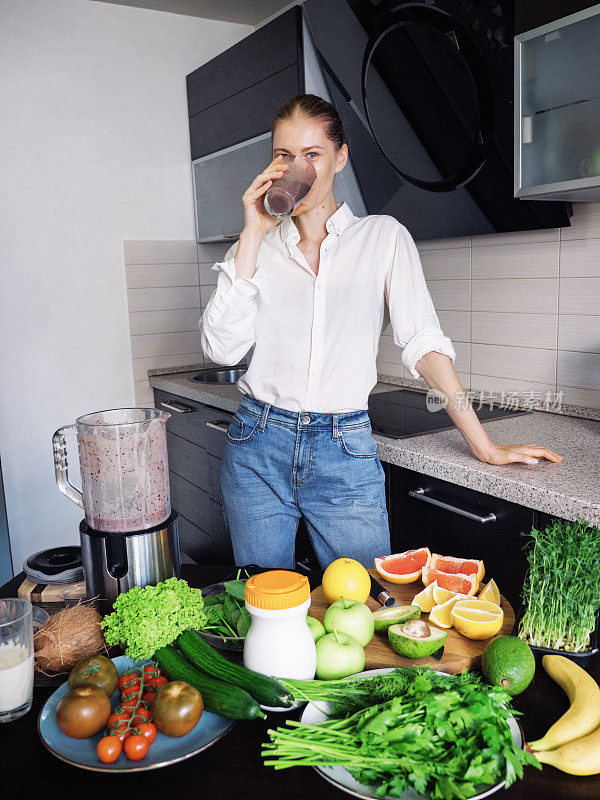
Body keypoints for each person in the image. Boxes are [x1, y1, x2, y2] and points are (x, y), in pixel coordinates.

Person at [201, 94, 562, 570]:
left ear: (340, 158)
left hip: (342, 450)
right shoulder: (257, 248)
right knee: (266, 607)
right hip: (256, 446)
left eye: (313, 155)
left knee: (369, 602)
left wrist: (484, 444)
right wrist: (251, 234)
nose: (297, 168)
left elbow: (425, 345)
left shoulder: (383, 237)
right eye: (284, 156)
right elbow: (222, 350)